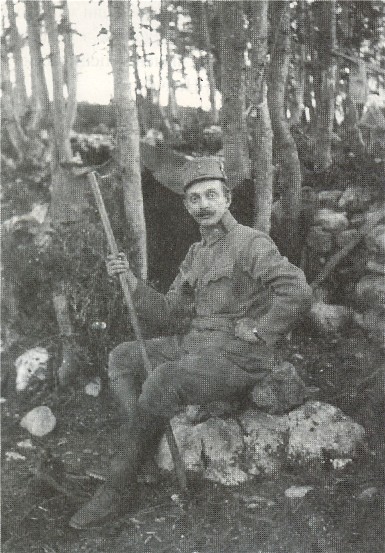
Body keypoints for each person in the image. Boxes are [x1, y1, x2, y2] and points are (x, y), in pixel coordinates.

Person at [70, 157, 312, 529]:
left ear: (227, 198)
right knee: (123, 358)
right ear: (187, 206)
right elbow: (168, 315)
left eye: (211, 195)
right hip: (195, 345)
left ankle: (119, 487)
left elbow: (296, 289)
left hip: (237, 356)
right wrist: (131, 282)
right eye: (195, 199)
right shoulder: (196, 255)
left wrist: (263, 331)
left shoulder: (250, 243)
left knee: (163, 379)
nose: (203, 205)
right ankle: (144, 457)